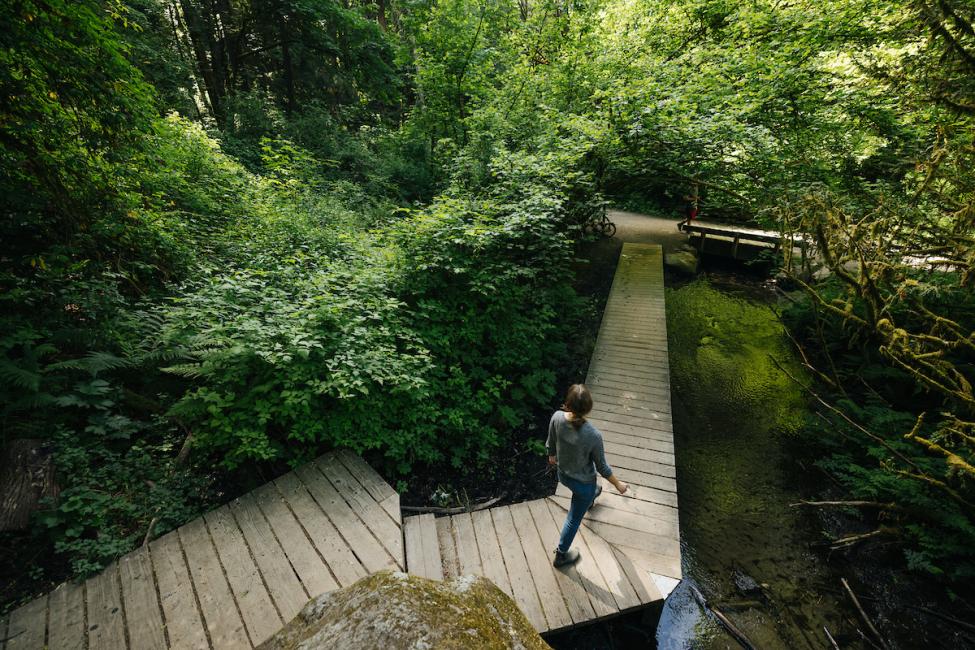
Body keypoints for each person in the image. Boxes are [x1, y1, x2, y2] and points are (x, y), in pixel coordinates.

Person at [546, 384, 628, 568]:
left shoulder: (557, 417)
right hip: (583, 484)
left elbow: (551, 440)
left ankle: (592, 494)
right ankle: (561, 555)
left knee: (589, 492)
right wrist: (618, 484)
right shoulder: (593, 435)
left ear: (567, 403)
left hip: (564, 475)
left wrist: (551, 455)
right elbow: (603, 468)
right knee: (573, 519)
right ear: (588, 409)